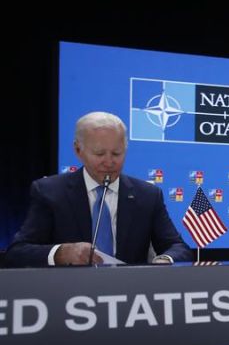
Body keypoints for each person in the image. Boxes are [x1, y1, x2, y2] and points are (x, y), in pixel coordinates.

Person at [5, 111, 192, 267]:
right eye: (99, 153)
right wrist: (61, 253)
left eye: (117, 153)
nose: (109, 162)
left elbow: (178, 247)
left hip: (131, 298)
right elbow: (17, 252)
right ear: (78, 150)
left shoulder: (148, 195)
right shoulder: (50, 192)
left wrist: (165, 259)